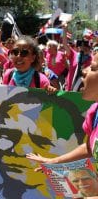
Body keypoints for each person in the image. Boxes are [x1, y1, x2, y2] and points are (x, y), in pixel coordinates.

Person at [26, 52, 98, 198]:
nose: (84, 71)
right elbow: (90, 147)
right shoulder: (94, 111)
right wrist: (53, 161)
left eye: (94, 67)